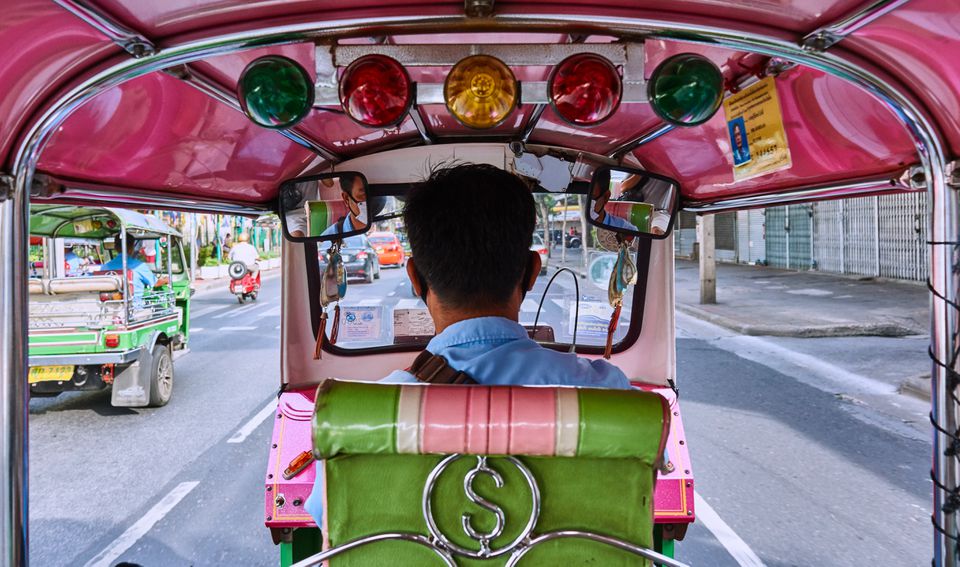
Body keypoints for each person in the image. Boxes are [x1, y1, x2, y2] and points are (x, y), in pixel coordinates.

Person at [304, 163, 630, 523]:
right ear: (532, 272)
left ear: (414, 278)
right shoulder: (608, 395)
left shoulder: (354, 422)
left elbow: (328, 524)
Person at [101, 233, 156, 298]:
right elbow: (155, 283)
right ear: (132, 247)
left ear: (115, 247)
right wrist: (166, 280)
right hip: (135, 306)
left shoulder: (104, 267)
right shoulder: (139, 266)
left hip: (109, 305)